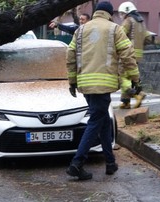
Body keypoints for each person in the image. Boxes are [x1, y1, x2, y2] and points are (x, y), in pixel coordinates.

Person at [66, 1, 140, 180]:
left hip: (85, 84)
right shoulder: (114, 29)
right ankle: (77, 163)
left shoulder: (81, 30)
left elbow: (70, 54)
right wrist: (135, 78)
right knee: (96, 121)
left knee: (104, 121)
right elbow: (127, 54)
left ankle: (110, 162)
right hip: (103, 84)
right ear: (110, 13)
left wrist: (72, 81)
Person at [118, 1, 152, 109]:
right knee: (130, 77)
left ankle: (138, 95)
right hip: (138, 55)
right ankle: (126, 102)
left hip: (127, 53)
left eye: (122, 13)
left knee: (122, 77)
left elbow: (120, 35)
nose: (121, 16)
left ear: (126, 12)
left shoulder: (128, 20)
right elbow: (148, 38)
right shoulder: (141, 22)